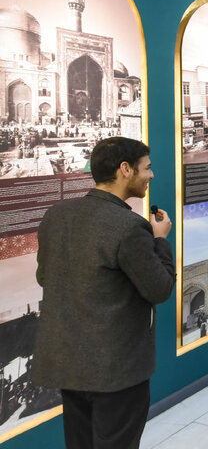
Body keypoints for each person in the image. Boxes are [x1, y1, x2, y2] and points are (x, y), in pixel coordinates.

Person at [33, 137, 175, 449]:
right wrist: (160, 240)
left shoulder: (56, 216)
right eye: (147, 168)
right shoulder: (129, 227)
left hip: (71, 365)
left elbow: (45, 277)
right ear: (126, 169)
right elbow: (160, 287)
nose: (151, 175)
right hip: (117, 371)